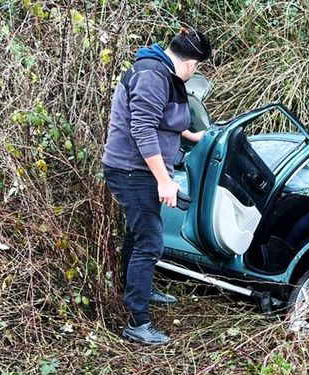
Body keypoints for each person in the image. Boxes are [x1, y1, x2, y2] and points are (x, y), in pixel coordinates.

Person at [101, 27, 211, 345]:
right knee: (150, 242)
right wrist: (164, 180)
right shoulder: (153, 75)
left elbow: (163, 121)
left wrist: (192, 136)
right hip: (131, 171)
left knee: (138, 235)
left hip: (140, 171)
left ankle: (139, 289)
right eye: (198, 67)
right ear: (192, 64)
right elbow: (143, 129)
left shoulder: (164, 72)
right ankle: (137, 323)